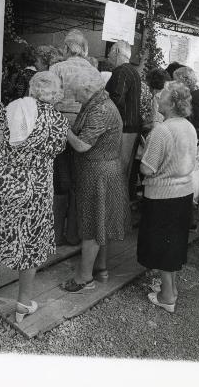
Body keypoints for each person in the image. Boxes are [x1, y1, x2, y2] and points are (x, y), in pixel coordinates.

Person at [0, 71, 69, 323]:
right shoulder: (60, 121)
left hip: (4, 179)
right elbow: (58, 150)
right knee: (31, 239)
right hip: (36, 187)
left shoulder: (13, 108)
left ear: (32, 88)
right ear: (56, 94)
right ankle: (23, 303)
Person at [62, 69, 130, 291]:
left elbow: (82, 145)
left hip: (98, 173)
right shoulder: (96, 103)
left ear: (88, 89)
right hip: (101, 171)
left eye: (76, 93)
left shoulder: (100, 109)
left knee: (92, 226)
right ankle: (101, 269)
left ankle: (84, 278)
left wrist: (63, 129)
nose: (73, 97)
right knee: (100, 223)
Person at [137, 81, 197, 313]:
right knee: (174, 243)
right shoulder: (188, 127)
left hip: (163, 194)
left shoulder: (162, 130)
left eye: (162, 96)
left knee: (163, 245)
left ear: (171, 103)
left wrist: (143, 153)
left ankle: (168, 296)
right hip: (184, 192)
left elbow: (147, 169)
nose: (158, 98)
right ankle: (168, 288)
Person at [50, 30, 102, 244]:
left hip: (60, 130)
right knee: (77, 182)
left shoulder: (56, 68)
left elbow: (49, 101)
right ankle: (73, 234)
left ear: (66, 47)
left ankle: (55, 236)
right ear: (84, 48)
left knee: (59, 182)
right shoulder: (95, 73)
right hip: (85, 132)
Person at [105, 40, 141, 200]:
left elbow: (116, 99)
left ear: (118, 51)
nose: (108, 56)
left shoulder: (121, 71)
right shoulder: (133, 71)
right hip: (131, 126)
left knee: (117, 171)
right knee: (124, 172)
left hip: (123, 128)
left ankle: (115, 209)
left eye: (110, 52)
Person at [173, 66, 199, 139]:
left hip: (195, 140)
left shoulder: (193, 98)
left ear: (186, 81)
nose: (175, 85)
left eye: (177, 82)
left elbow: (196, 127)